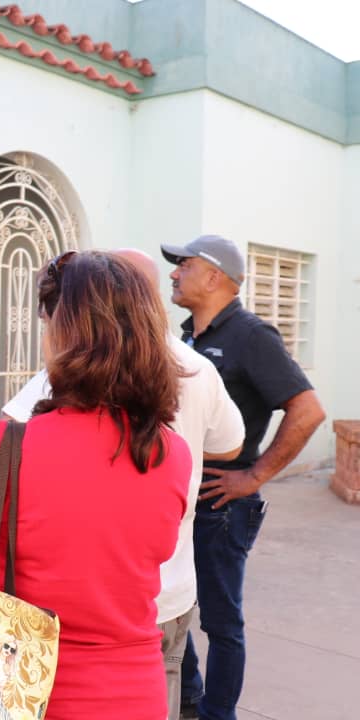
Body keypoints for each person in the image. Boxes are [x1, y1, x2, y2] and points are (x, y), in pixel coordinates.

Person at [0, 250, 192, 720]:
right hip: (136, 692)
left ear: (62, 334)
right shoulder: (172, 453)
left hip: (19, 690)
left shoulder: (5, 445)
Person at [2, 248, 245, 720]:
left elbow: (10, 439)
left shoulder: (72, 367)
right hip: (168, 587)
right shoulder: (196, 367)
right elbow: (230, 444)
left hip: (83, 597)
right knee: (161, 691)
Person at [161, 235, 326, 720]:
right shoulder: (191, 335)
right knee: (176, 606)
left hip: (223, 506)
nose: (174, 273)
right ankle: (190, 698)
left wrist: (253, 476)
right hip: (188, 501)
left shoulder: (251, 336)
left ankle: (218, 714)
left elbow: (308, 410)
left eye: (184, 265)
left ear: (214, 276)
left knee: (221, 622)